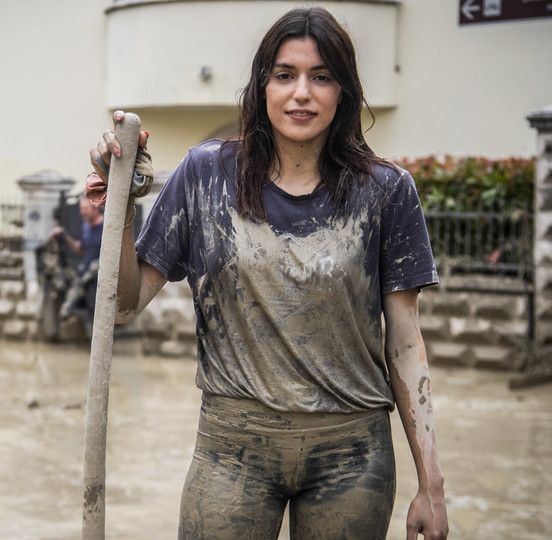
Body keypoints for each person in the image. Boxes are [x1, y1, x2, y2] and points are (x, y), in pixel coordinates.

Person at [88, 7, 448, 540]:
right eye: (285, 75)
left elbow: (404, 343)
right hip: (232, 448)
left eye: (321, 77)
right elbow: (122, 303)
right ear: (262, 87)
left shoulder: (386, 191)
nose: (301, 93)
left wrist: (432, 485)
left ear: (343, 92)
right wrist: (122, 201)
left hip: (352, 453)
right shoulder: (206, 174)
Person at [51, 195, 104, 336]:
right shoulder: (86, 227)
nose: (81, 213)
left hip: (98, 280)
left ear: (95, 208)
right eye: (81, 209)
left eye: (84, 209)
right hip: (83, 277)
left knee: (95, 310)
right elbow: (82, 249)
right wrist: (64, 236)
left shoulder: (107, 228)